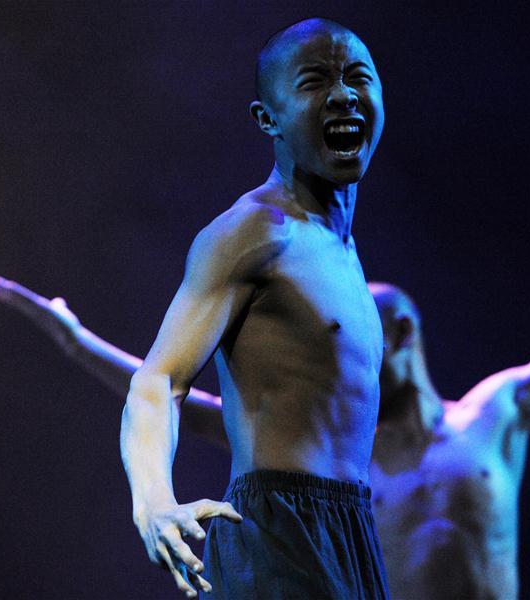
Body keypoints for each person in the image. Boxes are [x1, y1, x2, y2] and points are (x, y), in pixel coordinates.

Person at [0, 153, 530, 600]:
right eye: (377, 327)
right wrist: (75, 339)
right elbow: (184, 397)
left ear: (417, 333)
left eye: (402, 320)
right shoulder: (336, 460)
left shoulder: (494, 414)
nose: (393, 336)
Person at [115, 17, 387, 599]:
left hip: (352, 534)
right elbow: (158, 381)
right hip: (280, 533)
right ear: (268, 119)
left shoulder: (341, 248)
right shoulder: (253, 232)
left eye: (356, 77)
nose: (342, 94)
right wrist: (154, 500)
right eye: (315, 82)